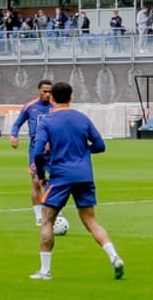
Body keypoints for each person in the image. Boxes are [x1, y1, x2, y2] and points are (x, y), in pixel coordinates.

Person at [31, 83, 123, 280]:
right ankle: (114, 256)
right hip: (84, 175)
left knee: (47, 220)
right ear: (71, 98)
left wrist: (41, 174)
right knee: (90, 220)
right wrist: (83, 150)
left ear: (52, 99)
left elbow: (37, 152)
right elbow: (100, 145)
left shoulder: (47, 121)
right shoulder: (82, 118)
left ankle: (45, 271)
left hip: (60, 176)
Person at [10, 79, 54, 228]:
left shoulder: (55, 107)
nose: (47, 94)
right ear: (39, 91)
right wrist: (13, 136)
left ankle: (55, 212)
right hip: (36, 150)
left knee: (54, 182)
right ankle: (39, 216)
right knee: (36, 181)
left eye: (50, 92)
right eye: (45, 91)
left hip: (54, 151)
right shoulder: (30, 107)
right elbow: (17, 123)